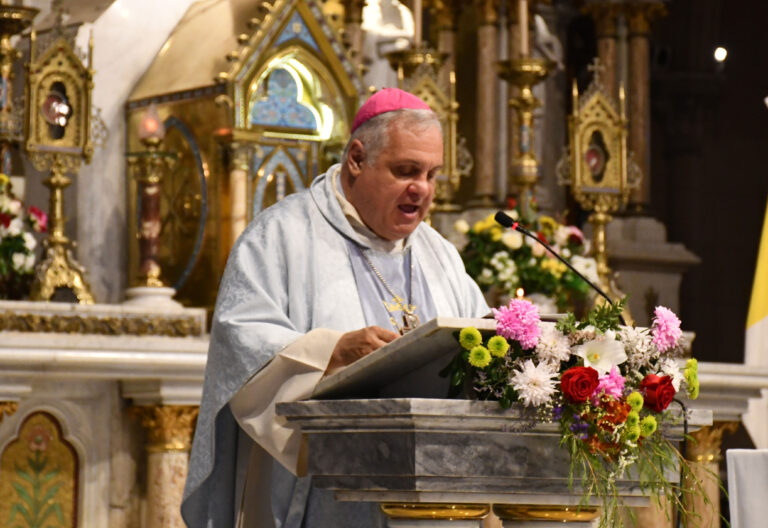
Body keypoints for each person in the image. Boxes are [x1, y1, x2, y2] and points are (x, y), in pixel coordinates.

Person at [181, 88, 489, 528]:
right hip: (322, 497)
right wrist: (331, 353)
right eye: (405, 170)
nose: (421, 188)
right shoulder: (283, 236)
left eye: (432, 174)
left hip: (435, 500)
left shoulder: (439, 254)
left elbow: (477, 342)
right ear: (357, 160)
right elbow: (240, 339)